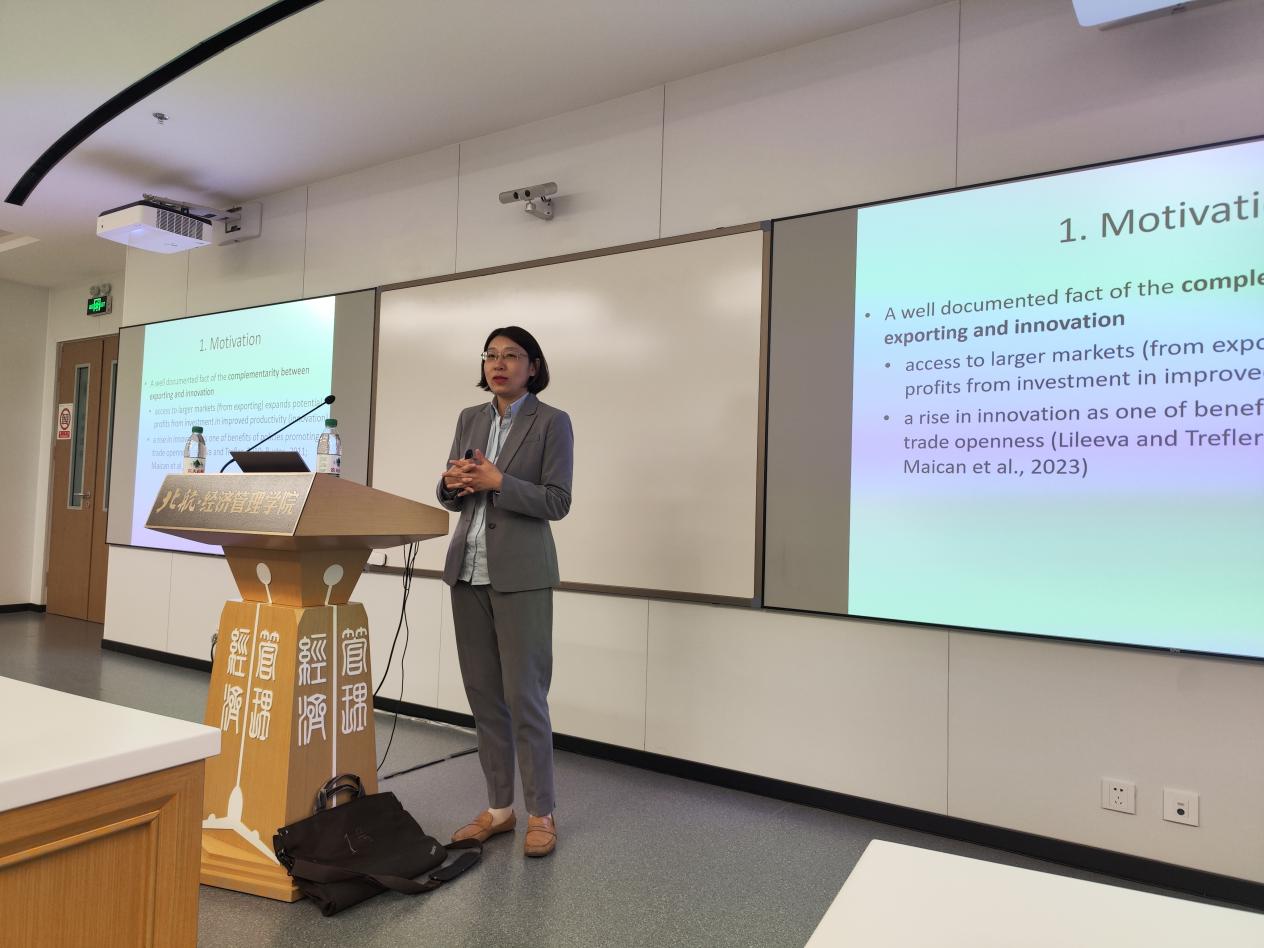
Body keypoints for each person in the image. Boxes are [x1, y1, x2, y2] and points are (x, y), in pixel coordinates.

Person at [436, 326, 573, 858]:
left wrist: (499, 483)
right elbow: (450, 492)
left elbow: (557, 501)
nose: (499, 364)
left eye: (511, 356)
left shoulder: (552, 422)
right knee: (484, 697)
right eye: (491, 355)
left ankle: (541, 812)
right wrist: (451, 484)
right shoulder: (469, 418)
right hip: (467, 570)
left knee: (525, 697)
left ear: (533, 366)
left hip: (522, 575)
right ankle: (499, 809)